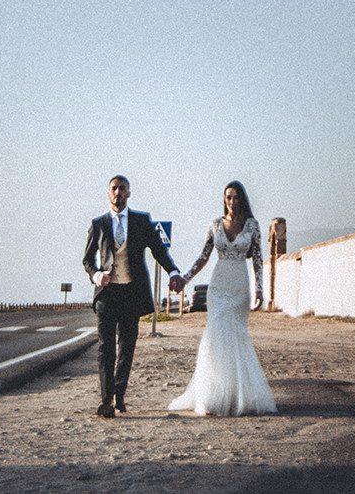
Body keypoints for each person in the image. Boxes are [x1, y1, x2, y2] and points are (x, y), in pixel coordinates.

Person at [168, 180, 277, 416]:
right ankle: (210, 397)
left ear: (242, 200)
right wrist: (184, 278)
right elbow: (204, 256)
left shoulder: (252, 226)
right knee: (214, 337)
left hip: (239, 285)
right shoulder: (215, 224)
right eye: (228, 197)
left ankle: (234, 397)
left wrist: (260, 290)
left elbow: (257, 259)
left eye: (236, 197)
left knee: (236, 338)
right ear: (224, 199)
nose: (232, 202)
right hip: (218, 286)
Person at [80, 174, 182, 418]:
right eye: (114, 189)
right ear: (108, 194)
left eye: (122, 189)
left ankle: (119, 393)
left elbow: (159, 250)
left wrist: (174, 272)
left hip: (131, 294)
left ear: (128, 193)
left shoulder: (141, 221)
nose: (118, 193)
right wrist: (96, 276)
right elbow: (87, 259)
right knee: (106, 348)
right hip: (107, 293)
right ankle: (106, 401)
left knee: (127, 346)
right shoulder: (99, 224)